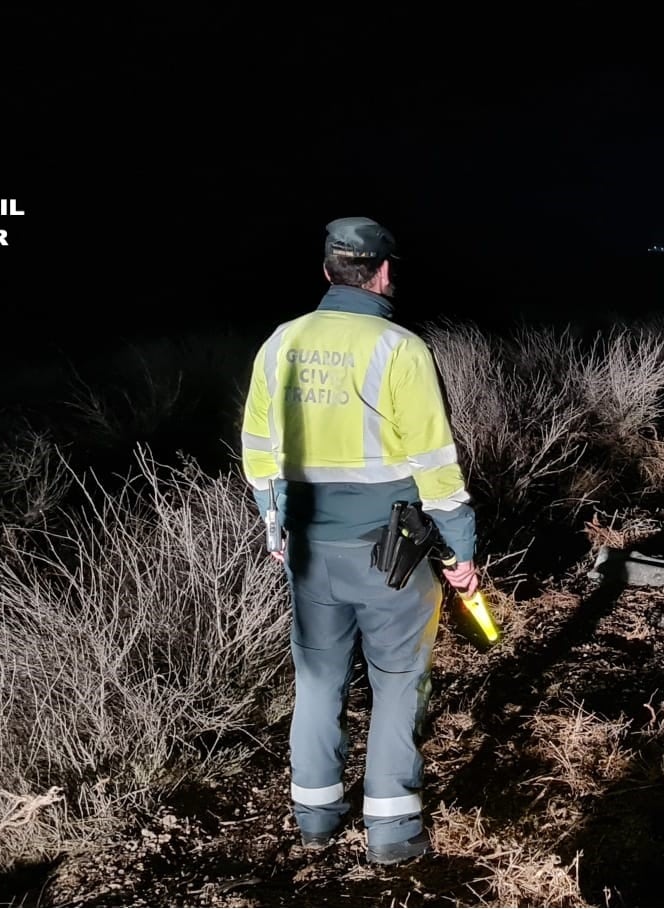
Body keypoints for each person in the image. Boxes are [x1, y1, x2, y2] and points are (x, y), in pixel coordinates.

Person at [240, 216, 478, 864]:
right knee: (398, 681)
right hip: (392, 554)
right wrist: (460, 554)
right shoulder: (398, 349)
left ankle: (314, 817)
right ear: (383, 272)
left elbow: (258, 452)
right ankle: (392, 832)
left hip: (310, 548)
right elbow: (436, 465)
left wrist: (272, 529)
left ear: (326, 271)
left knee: (317, 681)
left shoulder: (280, 344)